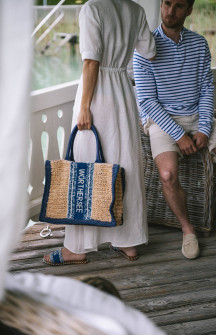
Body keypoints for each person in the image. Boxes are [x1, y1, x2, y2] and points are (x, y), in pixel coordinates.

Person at [44, 0, 156, 265]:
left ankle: (77, 248)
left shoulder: (92, 7)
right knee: (124, 165)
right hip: (123, 92)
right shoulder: (135, 9)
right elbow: (149, 51)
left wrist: (84, 106)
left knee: (85, 166)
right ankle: (129, 241)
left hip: (96, 96)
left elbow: (91, 62)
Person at [133, 0, 216, 259]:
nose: (171, 11)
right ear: (161, 5)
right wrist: (179, 135)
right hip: (162, 120)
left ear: (189, 10)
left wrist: (204, 129)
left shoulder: (199, 44)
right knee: (168, 174)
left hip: (197, 116)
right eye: (166, 4)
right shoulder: (144, 47)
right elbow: (148, 102)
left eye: (179, 6)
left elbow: (207, 89)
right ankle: (188, 229)